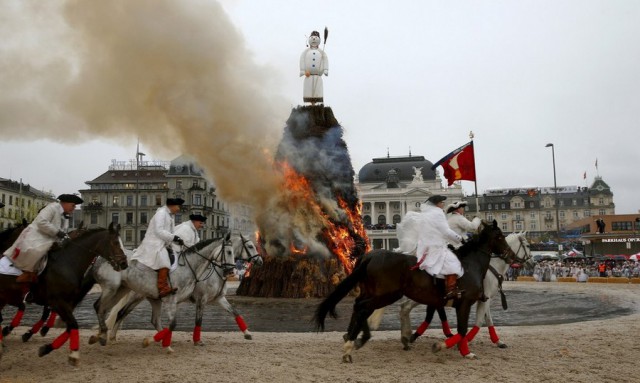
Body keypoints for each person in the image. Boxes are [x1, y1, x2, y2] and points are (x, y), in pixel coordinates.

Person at [4, 194, 83, 283]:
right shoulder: (52, 208)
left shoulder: (65, 216)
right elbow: (41, 222)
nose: (74, 208)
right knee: (38, 250)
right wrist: (58, 232)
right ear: (65, 203)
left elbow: (62, 231)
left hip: (48, 237)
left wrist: (65, 238)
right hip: (36, 235)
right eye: (73, 205)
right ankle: (28, 271)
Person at [131, 197, 185, 298]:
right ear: (172, 205)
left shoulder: (170, 216)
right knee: (165, 262)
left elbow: (169, 232)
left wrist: (177, 240)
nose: (179, 209)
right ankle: (162, 288)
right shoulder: (161, 213)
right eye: (178, 206)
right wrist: (174, 237)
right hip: (154, 243)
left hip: (162, 242)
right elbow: (158, 231)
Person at [416, 195, 465, 300]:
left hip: (426, 245)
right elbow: (446, 231)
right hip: (436, 245)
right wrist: (460, 238)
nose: (443, 204)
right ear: (437, 203)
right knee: (453, 263)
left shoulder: (427, 213)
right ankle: (451, 290)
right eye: (442, 202)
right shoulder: (438, 213)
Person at [299, 30, 329, 104]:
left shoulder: (321, 52)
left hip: (317, 75)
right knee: (308, 88)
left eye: (316, 38)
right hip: (308, 74)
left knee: (317, 89)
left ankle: (316, 99)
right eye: (312, 37)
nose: (314, 39)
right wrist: (302, 70)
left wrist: (325, 69)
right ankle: (310, 100)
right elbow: (302, 59)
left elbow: (325, 59)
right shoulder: (306, 52)